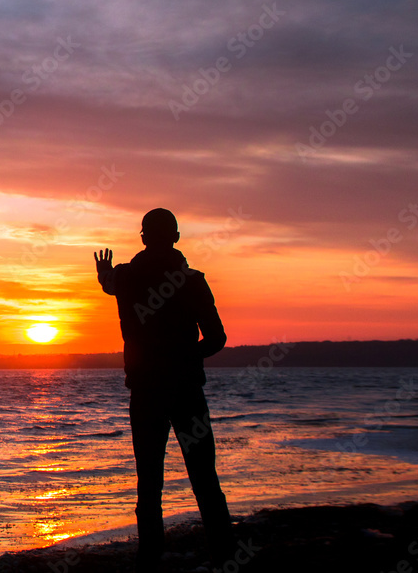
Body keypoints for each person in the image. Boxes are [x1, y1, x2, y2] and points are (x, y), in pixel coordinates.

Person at [94, 208, 234, 572]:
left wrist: (104, 274)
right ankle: (224, 556)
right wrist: (188, 357)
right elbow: (217, 337)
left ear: (143, 238)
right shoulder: (192, 281)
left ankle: (150, 560)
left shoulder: (126, 277)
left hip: (146, 392)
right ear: (175, 237)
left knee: (149, 482)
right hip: (187, 390)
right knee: (205, 478)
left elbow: (111, 283)